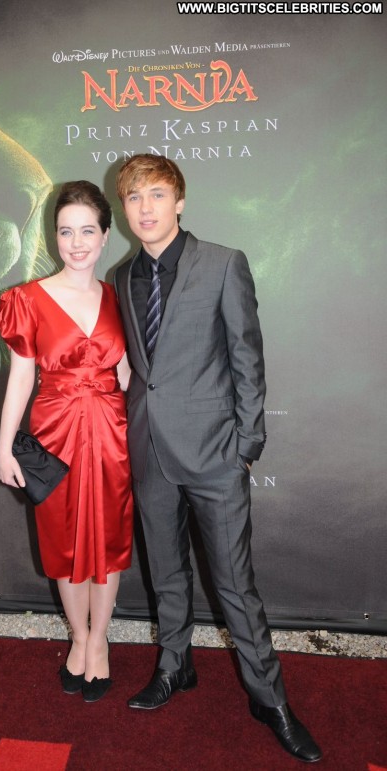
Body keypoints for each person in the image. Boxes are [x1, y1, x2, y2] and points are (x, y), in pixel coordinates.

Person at [114, 154, 321, 763]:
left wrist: (246, 446)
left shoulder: (224, 263)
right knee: (166, 573)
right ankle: (175, 665)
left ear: (180, 202)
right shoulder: (123, 276)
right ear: (124, 208)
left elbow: (247, 358)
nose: (146, 207)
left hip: (215, 454)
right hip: (150, 449)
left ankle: (270, 699)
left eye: (157, 194)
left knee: (234, 584)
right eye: (134, 197)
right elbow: (142, 372)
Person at [0, 181, 133, 703]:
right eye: (66, 231)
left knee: (109, 541)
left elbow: (129, 372)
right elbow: (20, 378)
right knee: (65, 543)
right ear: (55, 236)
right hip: (55, 434)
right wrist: (3, 446)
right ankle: (78, 636)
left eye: (87, 231)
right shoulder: (27, 300)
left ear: (105, 236)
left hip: (113, 433)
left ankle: (99, 641)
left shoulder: (118, 298)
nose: (76, 243)